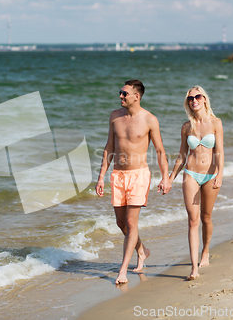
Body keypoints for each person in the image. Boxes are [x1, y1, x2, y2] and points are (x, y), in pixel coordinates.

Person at [96, 79, 172, 285]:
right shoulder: (115, 117)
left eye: (124, 93)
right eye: (120, 92)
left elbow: (159, 151)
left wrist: (165, 177)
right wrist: (101, 176)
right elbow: (109, 146)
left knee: (131, 222)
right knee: (121, 223)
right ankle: (142, 250)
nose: (120, 96)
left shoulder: (149, 119)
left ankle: (122, 270)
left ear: (136, 96)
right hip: (117, 175)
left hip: (139, 175)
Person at [169, 85, 224, 281]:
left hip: (210, 175)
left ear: (204, 99)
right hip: (191, 174)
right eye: (190, 98)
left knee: (206, 217)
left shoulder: (216, 123)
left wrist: (219, 174)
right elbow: (181, 156)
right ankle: (194, 268)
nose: (194, 100)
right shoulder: (186, 127)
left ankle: (206, 250)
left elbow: (219, 152)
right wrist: (169, 179)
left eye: (197, 97)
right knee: (193, 220)